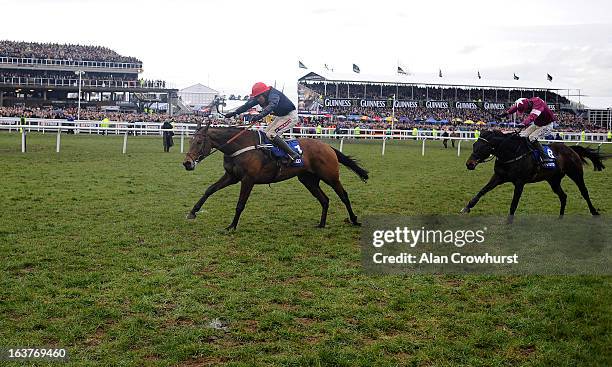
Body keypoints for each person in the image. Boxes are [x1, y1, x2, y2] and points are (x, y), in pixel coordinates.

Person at [225, 82, 300, 161]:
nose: (257, 100)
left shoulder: (273, 95)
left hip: (290, 116)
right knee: (265, 134)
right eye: (256, 97)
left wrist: (259, 116)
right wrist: (235, 112)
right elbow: (247, 105)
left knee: (271, 134)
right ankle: (273, 155)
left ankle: (292, 154)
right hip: (281, 116)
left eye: (258, 97)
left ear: (264, 93)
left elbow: (271, 106)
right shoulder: (261, 96)